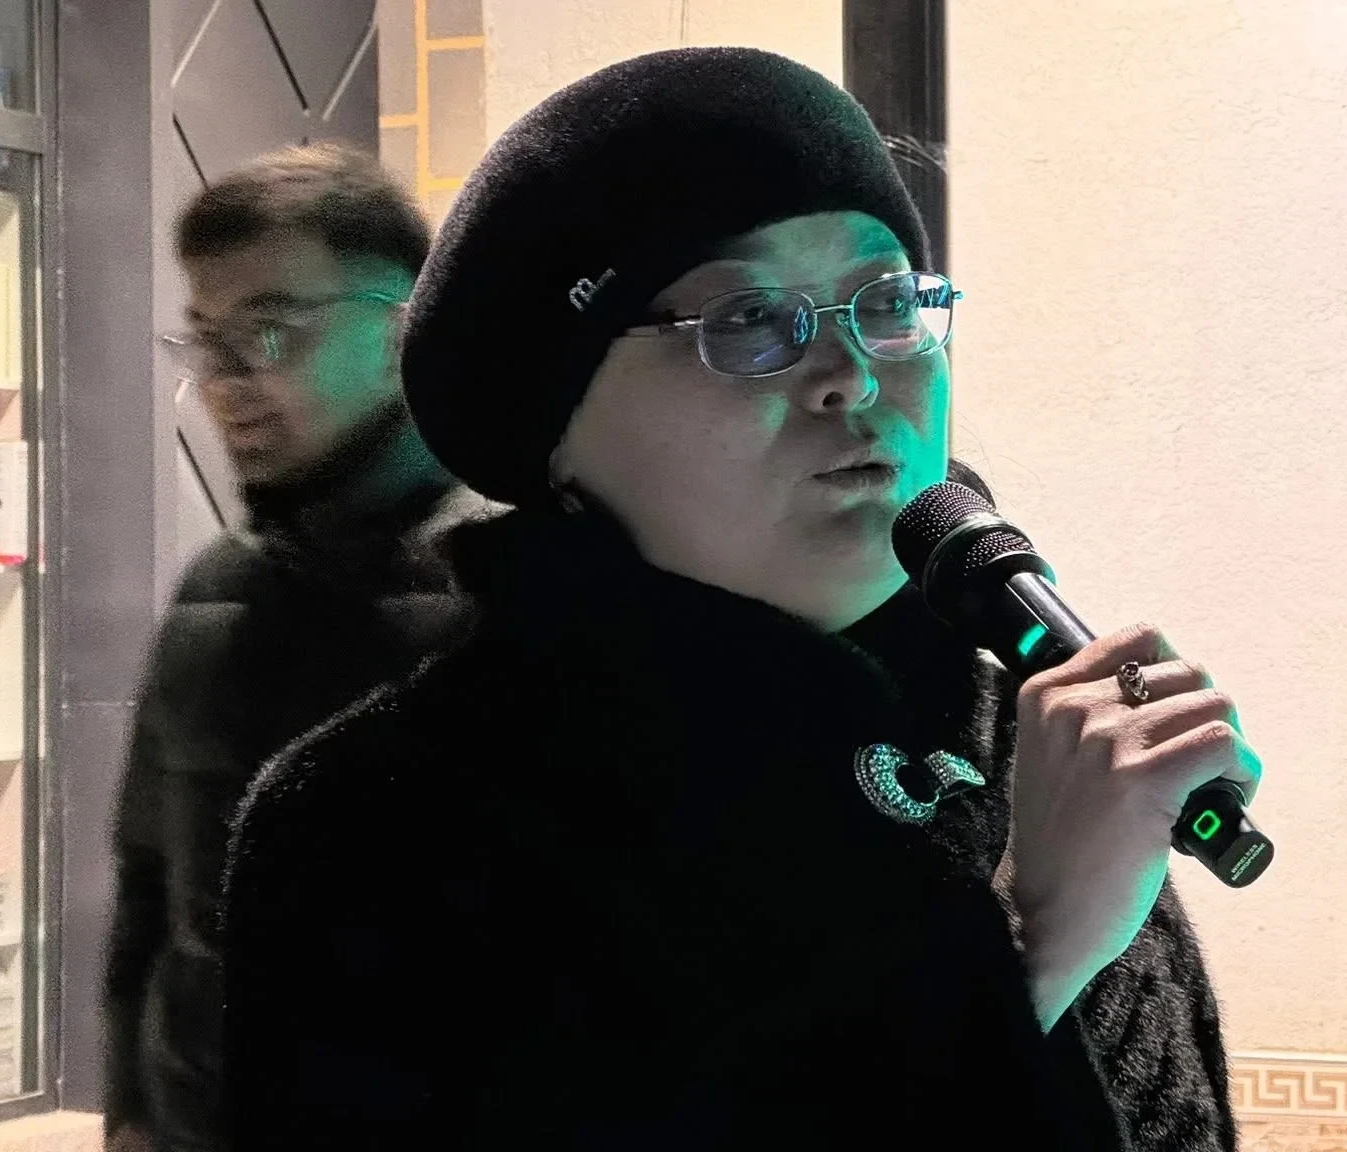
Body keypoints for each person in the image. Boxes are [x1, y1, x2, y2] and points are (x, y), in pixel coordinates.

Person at [221, 48, 1261, 1150]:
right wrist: (1032, 941)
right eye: (749, 321)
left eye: (886, 303)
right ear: (554, 426)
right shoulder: (387, 825)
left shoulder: (1020, 734)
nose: (851, 373)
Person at [103, 144, 481, 1152]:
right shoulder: (211, 594)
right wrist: (132, 1114)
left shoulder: (517, 591)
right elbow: (149, 890)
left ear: (400, 328)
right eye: (205, 341)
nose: (224, 383)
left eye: (268, 332)